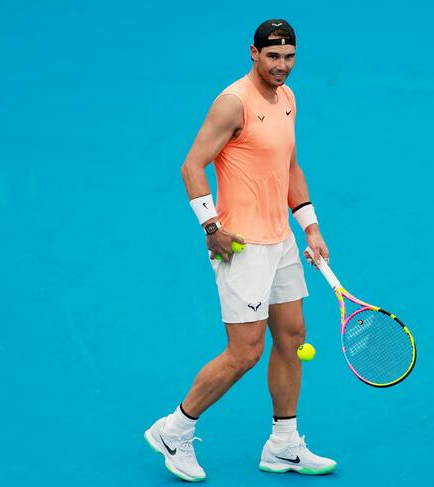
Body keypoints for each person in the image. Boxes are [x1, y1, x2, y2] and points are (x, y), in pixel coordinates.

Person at [144, 19, 336, 482]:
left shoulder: (287, 98)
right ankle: (174, 429)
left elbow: (290, 168)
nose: (282, 66)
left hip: (282, 241)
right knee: (245, 352)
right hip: (241, 246)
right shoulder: (233, 103)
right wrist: (211, 226)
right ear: (254, 53)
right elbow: (192, 166)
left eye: (289, 57)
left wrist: (310, 228)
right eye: (273, 57)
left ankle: (283, 444)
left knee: (291, 337)